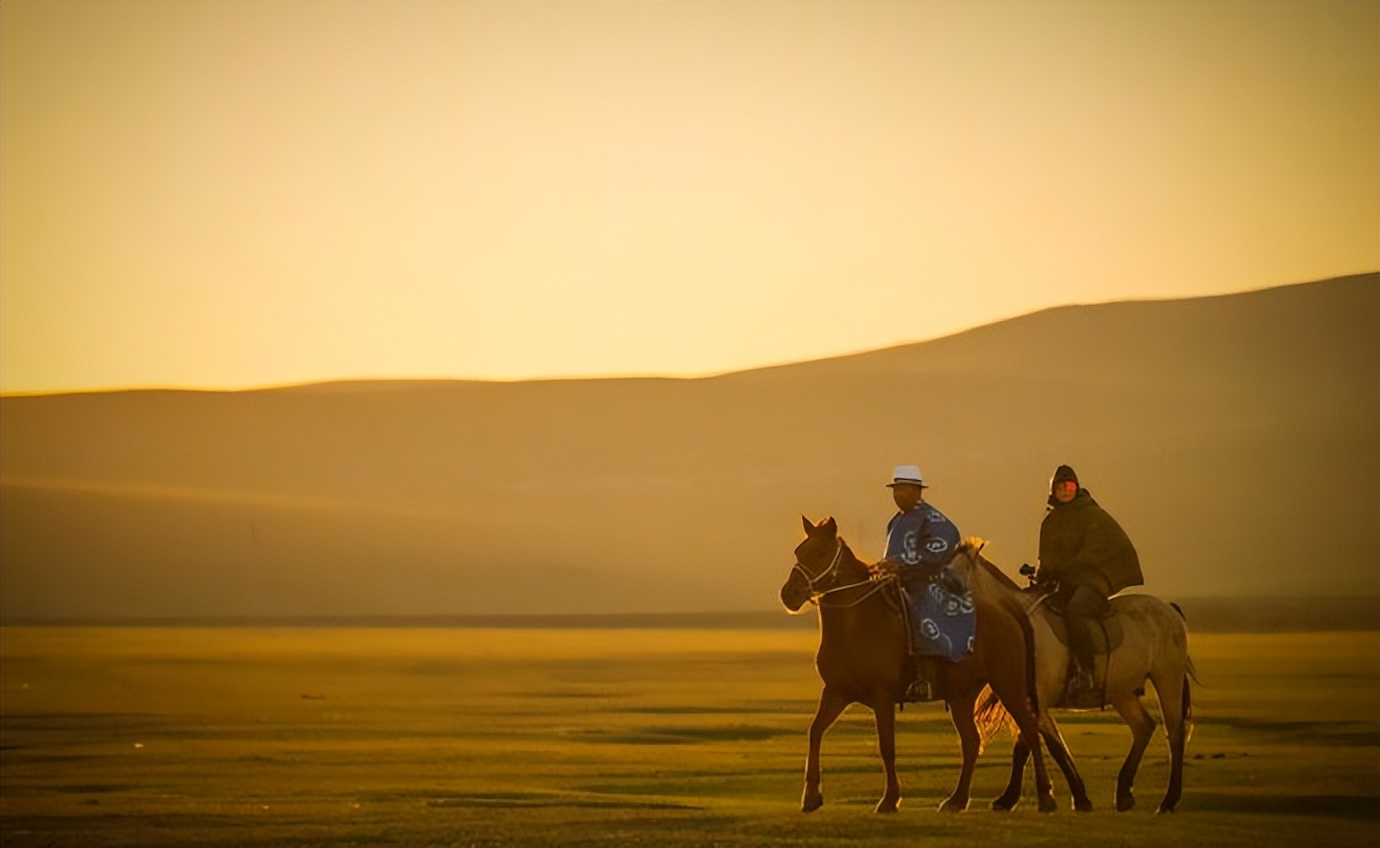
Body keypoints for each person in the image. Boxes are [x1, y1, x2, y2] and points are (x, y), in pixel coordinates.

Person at [1034, 464, 1143, 693]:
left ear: (1077, 488)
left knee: (1075, 612)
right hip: (1062, 585)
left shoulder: (1091, 514)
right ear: (1053, 490)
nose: (1065, 490)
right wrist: (1040, 574)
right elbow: (1047, 558)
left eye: (1069, 486)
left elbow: (1098, 549)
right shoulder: (1050, 522)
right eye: (1060, 487)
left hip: (1091, 583)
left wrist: (1068, 568)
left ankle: (1087, 671)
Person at [869, 464, 964, 700]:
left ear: (917, 491)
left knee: (918, 614)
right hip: (894, 582)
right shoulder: (895, 521)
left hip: (925, 582)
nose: (898, 495)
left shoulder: (934, 519)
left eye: (904, 489)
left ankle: (924, 677)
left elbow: (947, 542)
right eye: (896, 490)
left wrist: (902, 563)